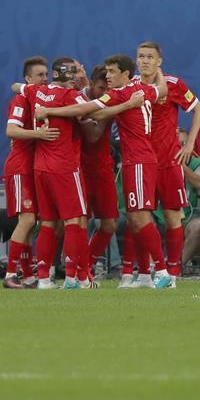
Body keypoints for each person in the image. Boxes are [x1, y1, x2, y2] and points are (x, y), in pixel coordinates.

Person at [40, 54, 171, 288]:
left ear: (125, 74)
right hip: (127, 162)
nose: (108, 77)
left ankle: (162, 272)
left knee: (139, 217)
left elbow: (92, 111)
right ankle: (136, 275)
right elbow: (160, 90)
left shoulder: (120, 93)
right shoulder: (141, 89)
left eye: (112, 72)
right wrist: (157, 74)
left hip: (137, 161)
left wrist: (49, 111)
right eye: (106, 73)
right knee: (132, 218)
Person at [16, 58, 94, 289]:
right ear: (67, 75)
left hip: (41, 167)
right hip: (64, 167)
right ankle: (72, 277)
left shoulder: (36, 92)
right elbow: (89, 111)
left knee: (48, 223)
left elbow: (16, 87)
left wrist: (46, 110)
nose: (77, 77)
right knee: (74, 220)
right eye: (74, 72)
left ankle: (43, 278)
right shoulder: (71, 96)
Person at [136, 41, 200, 287]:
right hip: (141, 163)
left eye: (150, 57)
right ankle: (145, 273)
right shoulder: (133, 87)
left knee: (172, 217)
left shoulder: (173, 84)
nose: (145, 61)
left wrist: (189, 144)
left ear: (159, 61)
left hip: (168, 162)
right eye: (141, 56)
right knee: (139, 218)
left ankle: (172, 274)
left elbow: (199, 109)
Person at [1, 56, 56, 289]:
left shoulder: (43, 101)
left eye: (46, 74)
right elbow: (11, 130)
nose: (45, 79)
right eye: (39, 75)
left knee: (31, 223)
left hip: (33, 167)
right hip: (20, 167)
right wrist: (39, 135)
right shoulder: (21, 100)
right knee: (27, 219)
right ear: (27, 79)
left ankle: (27, 276)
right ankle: (9, 274)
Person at [79, 64, 120, 278]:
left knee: (110, 223)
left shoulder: (109, 101)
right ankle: (61, 270)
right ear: (92, 84)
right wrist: (105, 112)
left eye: (108, 89)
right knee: (75, 224)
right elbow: (93, 135)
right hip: (78, 170)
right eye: (101, 88)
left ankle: (86, 263)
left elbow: (96, 135)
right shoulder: (78, 99)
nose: (105, 93)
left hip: (102, 168)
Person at [177, 127, 200, 275]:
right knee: (144, 220)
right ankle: (150, 269)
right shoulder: (159, 162)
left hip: (192, 214)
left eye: (182, 144)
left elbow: (199, 182)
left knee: (199, 226)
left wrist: (181, 166)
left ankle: (176, 267)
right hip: (164, 214)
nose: (178, 147)